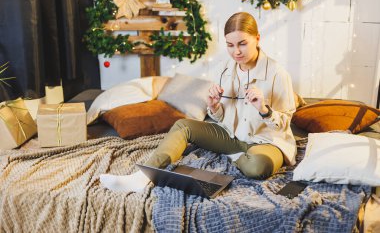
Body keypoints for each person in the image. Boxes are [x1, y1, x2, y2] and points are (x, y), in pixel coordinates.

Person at [100, 12, 297, 192]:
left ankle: (237, 157)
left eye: (242, 44)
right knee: (183, 125)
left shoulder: (277, 74)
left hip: (267, 142)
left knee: (257, 167)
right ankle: (141, 177)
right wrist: (214, 107)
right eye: (230, 45)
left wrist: (263, 109)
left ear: (257, 39)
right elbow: (222, 116)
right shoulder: (224, 70)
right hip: (232, 136)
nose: (236, 52)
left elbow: (284, 124)